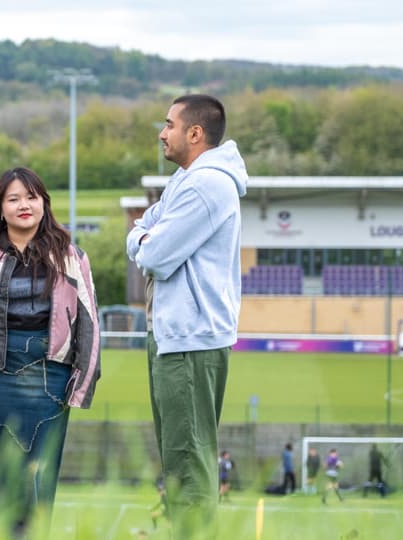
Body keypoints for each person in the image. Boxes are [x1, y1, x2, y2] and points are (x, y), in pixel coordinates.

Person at [0, 167, 101, 539]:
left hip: (50, 383)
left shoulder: (71, 256)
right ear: (0, 208)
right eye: (13, 199)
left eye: (31, 197)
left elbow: (90, 323)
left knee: (33, 487)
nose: (24, 205)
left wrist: (80, 386)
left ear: (44, 203)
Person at [127, 94, 247, 538]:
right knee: (179, 458)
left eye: (169, 125)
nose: (162, 133)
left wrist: (144, 239)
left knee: (189, 461)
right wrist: (143, 236)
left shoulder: (205, 185)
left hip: (190, 339)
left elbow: (154, 254)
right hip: (175, 336)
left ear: (194, 133)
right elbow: (142, 228)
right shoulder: (185, 180)